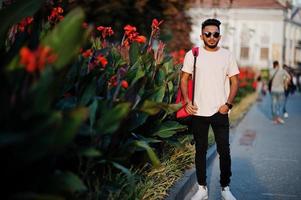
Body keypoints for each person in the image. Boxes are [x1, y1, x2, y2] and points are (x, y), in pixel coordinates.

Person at [181, 18, 239, 200]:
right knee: (200, 150)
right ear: (202, 35)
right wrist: (186, 101)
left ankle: (225, 188)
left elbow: (235, 81)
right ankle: (202, 189)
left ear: (219, 36)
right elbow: (183, 79)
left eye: (215, 34)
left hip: (219, 111)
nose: (211, 37)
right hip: (198, 111)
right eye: (208, 34)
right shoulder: (193, 54)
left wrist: (228, 104)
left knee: (225, 151)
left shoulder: (227, 55)